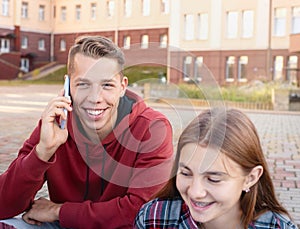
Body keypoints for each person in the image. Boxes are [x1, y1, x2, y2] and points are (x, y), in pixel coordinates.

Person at [0, 36, 173, 228]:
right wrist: (42, 152)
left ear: (122, 86)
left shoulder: (152, 128)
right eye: (83, 84)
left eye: (107, 85)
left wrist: (58, 211)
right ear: (67, 86)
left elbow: (142, 212)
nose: (95, 98)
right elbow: (3, 205)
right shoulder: (55, 125)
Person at [134, 108, 299, 229]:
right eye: (185, 173)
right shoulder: (153, 218)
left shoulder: (278, 227)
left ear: (250, 178)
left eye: (213, 179)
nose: (195, 192)